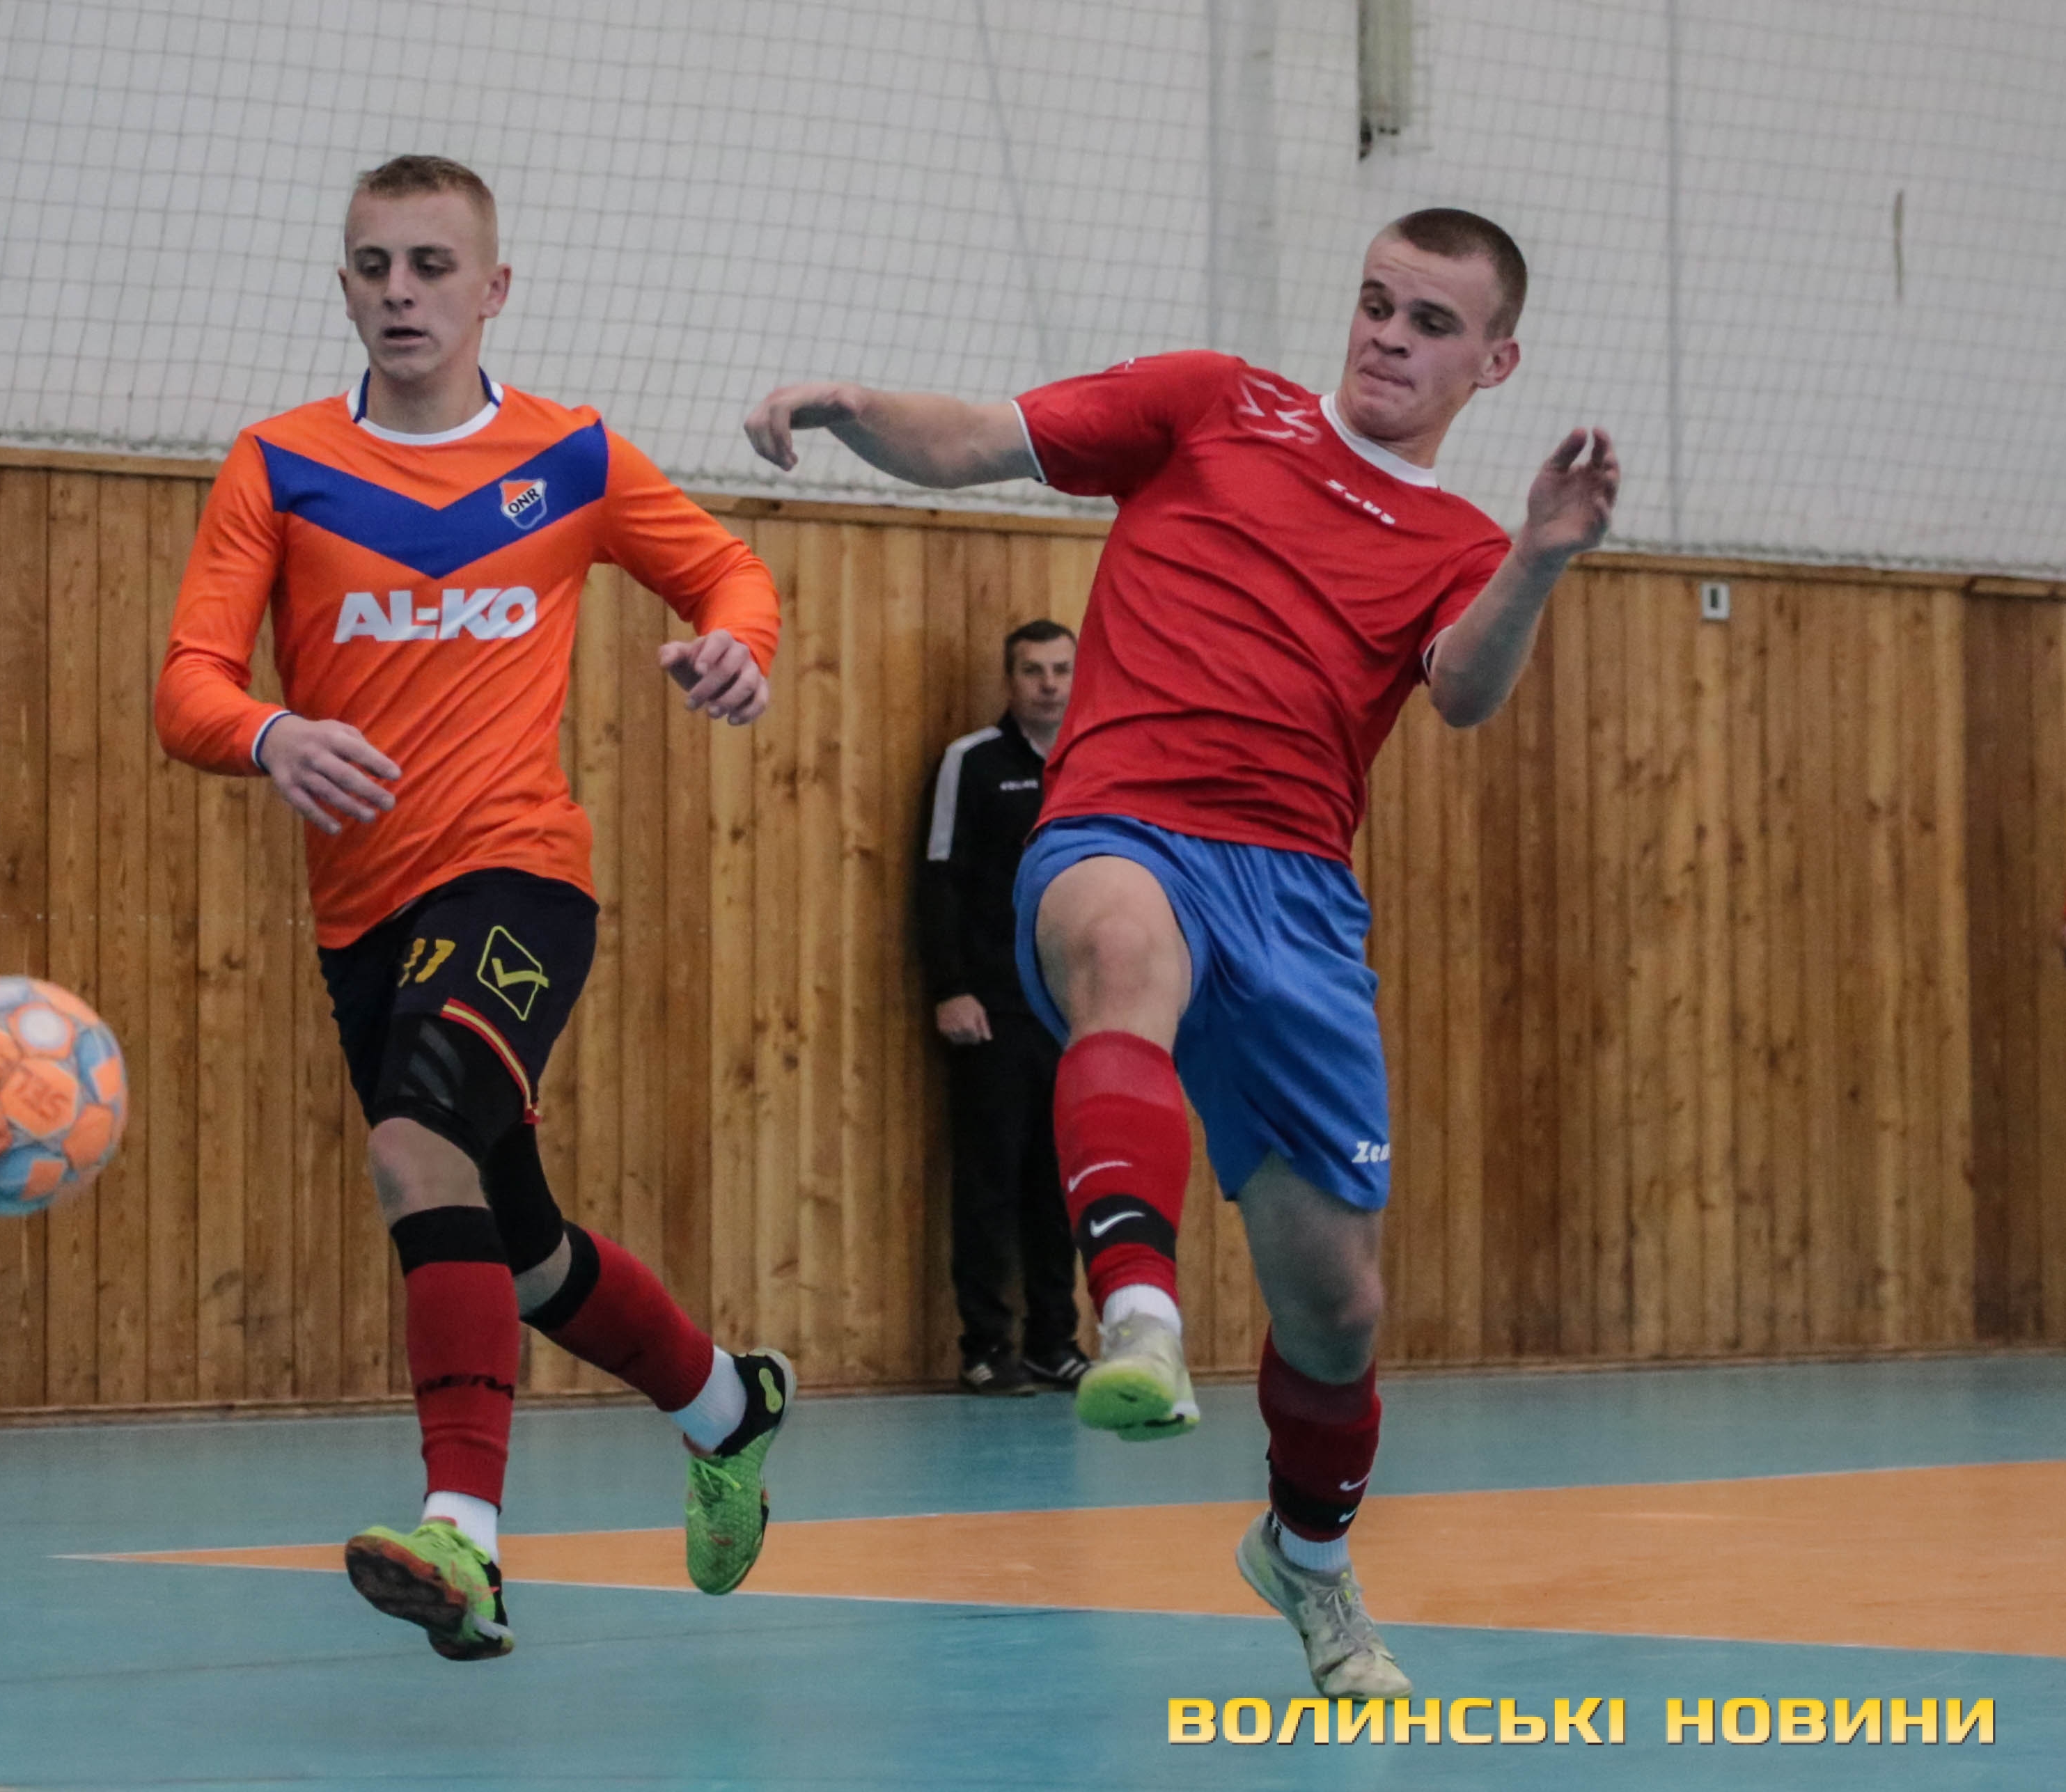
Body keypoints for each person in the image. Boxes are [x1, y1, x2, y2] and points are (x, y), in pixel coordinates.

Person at [744, 208, 1618, 1696]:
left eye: (1429, 322)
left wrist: (1535, 558)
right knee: (1116, 952)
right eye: (1375, 302)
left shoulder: (1459, 544)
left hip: (1295, 900)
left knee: (1335, 1309)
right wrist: (847, 405)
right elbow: (979, 440)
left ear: (1494, 361)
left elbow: (1465, 693)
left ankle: (1307, 1555)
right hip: (1121, 822)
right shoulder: (1212, 403)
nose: (1387, 336)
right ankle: (1136, 1310)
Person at [157, 155, 793, 1663]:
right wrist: (268, 732)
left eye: (432, 266)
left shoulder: (570, 456)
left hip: (518, 874)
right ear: (342, 285)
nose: (401, 293)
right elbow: (188, 683)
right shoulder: (279, 464)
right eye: (374, 265)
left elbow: (730, 576)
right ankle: (727, 1404)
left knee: (413, 1142)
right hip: (361, 920)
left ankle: (466, 1536)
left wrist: (736, 648)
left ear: (493, 288)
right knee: (519, 1249)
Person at [921, 620, 1088, 1395]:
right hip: (992, 1009)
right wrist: (950, 988)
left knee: (1062, 1183)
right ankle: (986, 1346)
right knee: (989, 1183)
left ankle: (1056, 1341)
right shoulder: (972, 762)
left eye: (1061, 669)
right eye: (1033, 670)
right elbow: (939, 879)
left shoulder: (1097, 760)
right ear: (1009, 679)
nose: (1049, 684)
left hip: (1074, 1011)